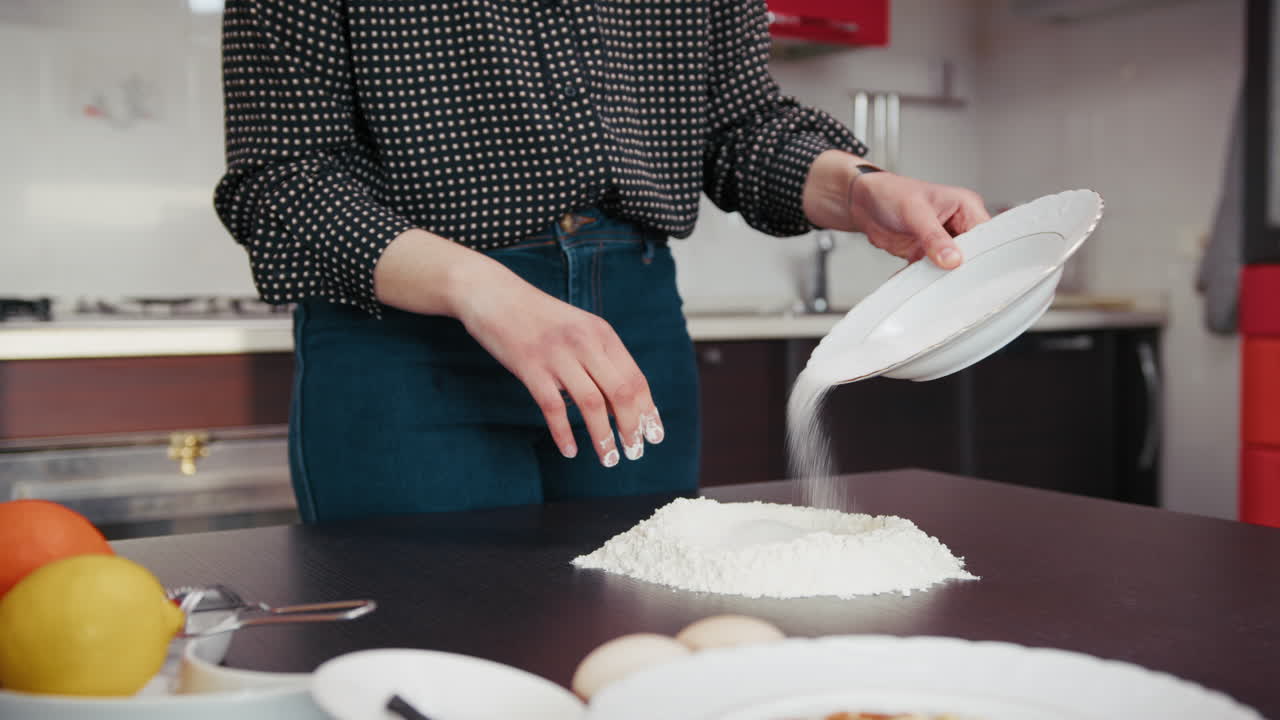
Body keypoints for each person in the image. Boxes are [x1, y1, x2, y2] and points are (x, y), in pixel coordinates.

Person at [213, 0, 990, 523]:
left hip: (633, 326)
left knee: (633, 635)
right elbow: (281, 182)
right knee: (427, 638)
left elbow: (739, 125)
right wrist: (481, 288)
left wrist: (859, 190)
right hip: (407, 338)